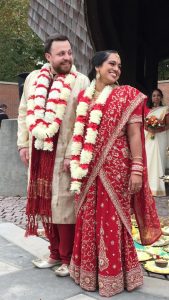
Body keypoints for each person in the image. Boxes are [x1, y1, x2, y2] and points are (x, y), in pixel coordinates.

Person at [69, 50, 162, 297]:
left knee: (112, 219)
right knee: (89, 217)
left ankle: (115, 276)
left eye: (119, 65)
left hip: (117, 169)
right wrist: (73, 160)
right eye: (112, 63)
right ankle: (88, 273)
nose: (117, 69)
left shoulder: (126, 95)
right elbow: (79, 134)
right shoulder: (83, 98)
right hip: (88, 171)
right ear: (97, 67)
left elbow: (134, 135)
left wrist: (137, 169)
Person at [17, 34, 89, 276]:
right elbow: (24, 110)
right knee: (45, 205)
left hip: (65, 156)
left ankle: (67, 258)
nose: (67, 57)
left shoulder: (80, 81)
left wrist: (72, 154)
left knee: (64, 206)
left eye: (69, 52)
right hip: (39, 155)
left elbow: (83, 120)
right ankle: (54, 253)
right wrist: (23, 144)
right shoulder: (33, 79)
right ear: (48, 57)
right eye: (61, 54)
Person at [144, 88, 169, 196]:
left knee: (158, 159)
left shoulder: (165, 109)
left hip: (160, 138)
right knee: (149, 159)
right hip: (149, 138)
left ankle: (158, 186)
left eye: (158, 95)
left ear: (161, 97)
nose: (156, 97)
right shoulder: (147, 110)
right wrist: (149, 129)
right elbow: (143, 124)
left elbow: (168, 125)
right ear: (151, 98)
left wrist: (158, 129)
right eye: (154, 95)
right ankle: (148, 187)